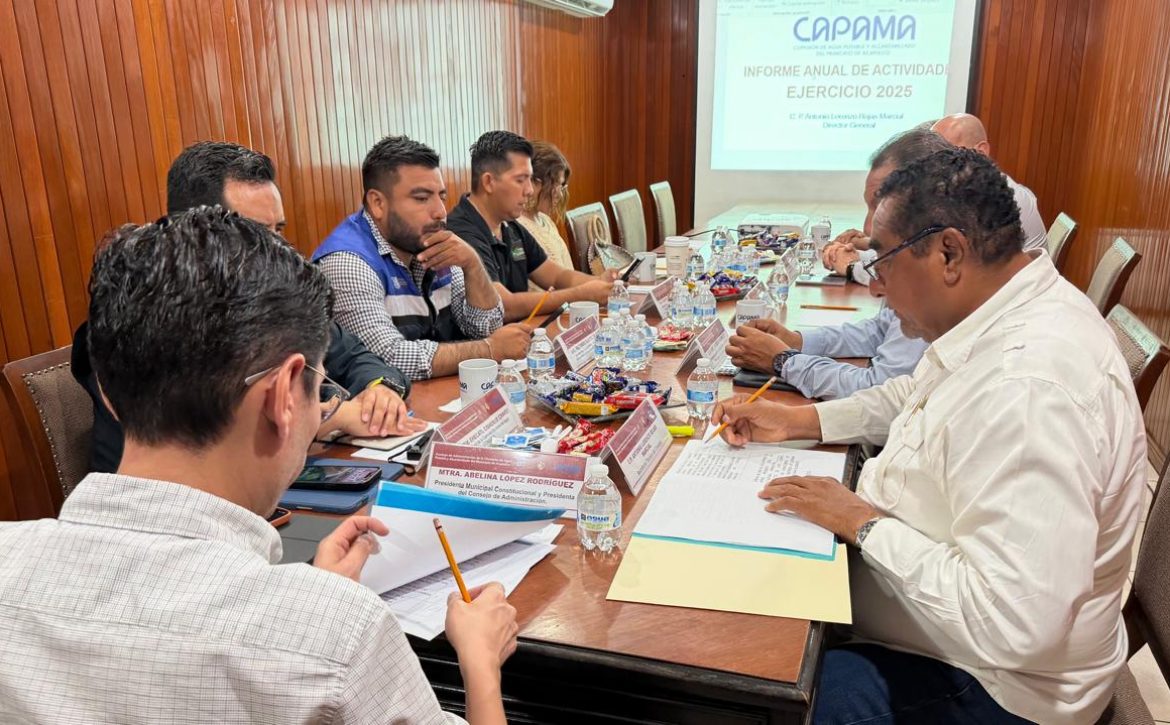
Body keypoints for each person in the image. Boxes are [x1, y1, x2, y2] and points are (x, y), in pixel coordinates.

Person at [0, 208, 518, 723]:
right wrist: (480, 665)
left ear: (109, 395)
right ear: (283, 397)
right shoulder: (342, 637)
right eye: (321, 387)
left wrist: (314, 596)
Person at [715, 148, 1147, 724]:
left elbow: (1015, 624)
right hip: (940, 634)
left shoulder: (1030, 387)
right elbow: (912, 395)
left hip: (997, 686)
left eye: (884, 263)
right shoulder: (1001, 311)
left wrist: (863, 523)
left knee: (750, 683)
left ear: (948, 253)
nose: (875, 287)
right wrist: (801, 421)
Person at [71, 141, 423, 474]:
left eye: (278, 230)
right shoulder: (143, 322)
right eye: (255, 232)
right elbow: (206, 439)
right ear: (192, 230)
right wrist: (333, 414)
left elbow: (356, 356)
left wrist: (379, 390)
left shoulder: (278, 298)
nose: (277, 249)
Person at [726, 128, 947, 399]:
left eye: (880, 205)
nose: (868, 226)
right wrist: (798, 341)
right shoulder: (917, 268)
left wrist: (784, 361)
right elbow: (881, 329)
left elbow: (880, 392)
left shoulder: (931, 279)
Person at [313, 135, 533, 380]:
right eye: (421, 198)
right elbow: (387, 358)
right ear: (377, 204)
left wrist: (472, 265)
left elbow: (485, 326)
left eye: (441, 197)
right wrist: (489, 349)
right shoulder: (348, 262)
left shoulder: (430, 243)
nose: (440, 212)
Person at [824, 113, 1047, 283]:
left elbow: (920, 275)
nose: (932, 165)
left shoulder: (987, 201)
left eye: (945, 153)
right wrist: (869, 244)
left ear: (980, 151)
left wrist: (854, 268)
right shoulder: (975, 191)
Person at [447, 131, 617, 322]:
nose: (529, 190)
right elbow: (502, 306)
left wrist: (602, 283)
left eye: (530, 179)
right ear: (489, 182)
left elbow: (556, 276)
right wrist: (580, 294)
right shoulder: (462, 232)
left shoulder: (509, 225)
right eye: (520, 180)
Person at [516, 141, 576, 288]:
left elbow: (567, 273)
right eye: (555, 185)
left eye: (561, 187)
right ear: (535, 182)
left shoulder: (546, 220)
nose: (559, 195)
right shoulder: (517, 228)